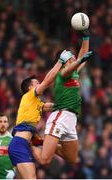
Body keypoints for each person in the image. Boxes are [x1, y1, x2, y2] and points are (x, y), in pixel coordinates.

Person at [31, 30, 93, 165]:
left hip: (71, 120)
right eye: (71, 57)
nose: (74, 57)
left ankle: (42, 141)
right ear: (64, 62)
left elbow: (83, 50)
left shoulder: (74, 71)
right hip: (60, 116)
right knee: (44, 160)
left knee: (72, 158)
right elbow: (72, 67)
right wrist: (81, 60)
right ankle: (28, 144)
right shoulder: (62, 73)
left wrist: (86, 36)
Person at [8, 53, 70, 179]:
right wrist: (60, 61)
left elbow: (49, 106)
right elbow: (48, 81)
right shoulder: (30, 95)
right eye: (37, 83)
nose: (40, 84)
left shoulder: (35, 103)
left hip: (21, 144)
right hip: (20, 143)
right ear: (30, 87)